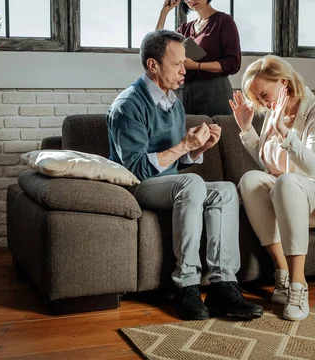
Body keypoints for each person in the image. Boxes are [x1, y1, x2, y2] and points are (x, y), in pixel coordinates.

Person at [106, 29, 263, 321]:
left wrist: (196, 149)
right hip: (138, 187)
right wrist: (183, 145)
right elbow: (136, 169)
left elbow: (175, 164)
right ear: (153, 65)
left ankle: (223, 284)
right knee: (191, 183)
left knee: (226, 190)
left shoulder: (174, 103)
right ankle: (187, 285)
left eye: (185, 64)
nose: (184, 71)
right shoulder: (128, 106)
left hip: (171, 185)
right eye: (178, 64)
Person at [230, 55, 315, 321]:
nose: (262, 103)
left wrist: (285, 132)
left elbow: (313, 167)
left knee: (287, 182)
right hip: (286, 193)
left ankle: (299, 285)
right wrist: (247, 128)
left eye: (264, 94)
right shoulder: (275, 111)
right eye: (257, 100)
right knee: (250, 179)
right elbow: (269, 162)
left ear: (283, 82)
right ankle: (281, 272)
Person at [156, 0, 241, 117]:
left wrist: (196, 66)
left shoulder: (223, 20)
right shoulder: (185, 29)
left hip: (215, 89)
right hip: (189, 91)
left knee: (217, 136)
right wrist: (164, 12)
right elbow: (157, 42)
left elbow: (233, 63)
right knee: (192, 135)